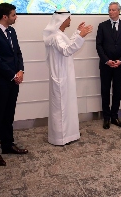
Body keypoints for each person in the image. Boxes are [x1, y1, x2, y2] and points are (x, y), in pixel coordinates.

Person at [0, 3, 27, 167]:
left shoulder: (12, 31)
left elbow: (18, 53)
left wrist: (21, 70)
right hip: (1, 81)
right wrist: (12, 75)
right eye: (14, 15)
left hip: (14, 80)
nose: (16, 17)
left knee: (9, 114)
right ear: (4, 17)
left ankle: (8, 144)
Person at [43, 11, 93, 145]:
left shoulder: (60, 35)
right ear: (62, 19)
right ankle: (60, 137)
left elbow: (68, 44)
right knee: (61, 108)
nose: (70, 20)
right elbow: (66, 50)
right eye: (69, 18)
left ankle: (70, 134)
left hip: (65, 76)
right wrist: (81, 36)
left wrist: (77, 33)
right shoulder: (55, 37)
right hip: (60, 77)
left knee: (67, 106)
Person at [96, 2, 121, 129]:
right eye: (109, 10)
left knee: (117, 90)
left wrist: (120, 60)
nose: (111, 12)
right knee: (105, 91)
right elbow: (98, 45)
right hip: (106, 65)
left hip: (119, 66)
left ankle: (114, 116)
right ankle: (106, 117)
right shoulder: (102, 26)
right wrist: (106, 60)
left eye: (113, 10)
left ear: (119, 11)